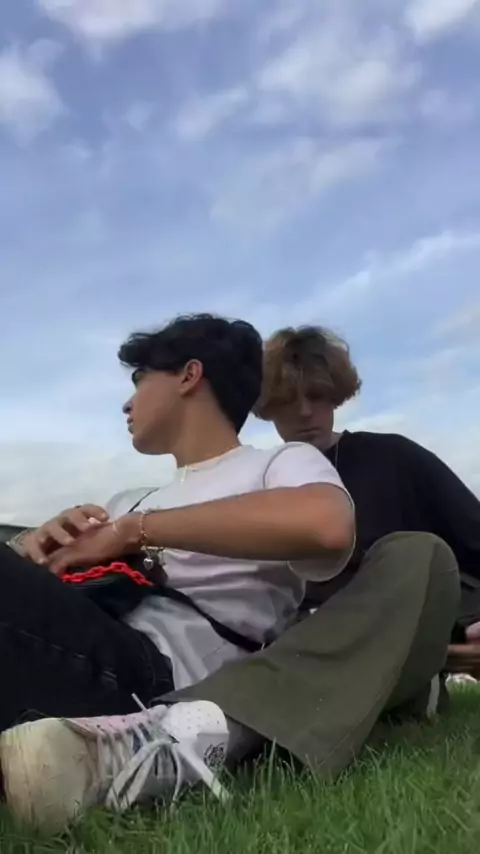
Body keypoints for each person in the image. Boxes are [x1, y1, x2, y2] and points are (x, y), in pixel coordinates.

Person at [0, 313, 355, 831]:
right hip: (78, 645)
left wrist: (132, 532)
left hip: (159, 680)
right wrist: (30, 549)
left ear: (189, 375)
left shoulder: (277, 464)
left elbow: (325, 525)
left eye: (140, 379)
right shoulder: (128, 498)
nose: (128, 403)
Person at [252, 325, 480, 649]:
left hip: (403, 648)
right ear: (269, 405)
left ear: (335, 394)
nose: (304, 412)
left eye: (316, 395)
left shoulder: (394, 458)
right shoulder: (258, 485)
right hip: (300, 653)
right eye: (288, 400)